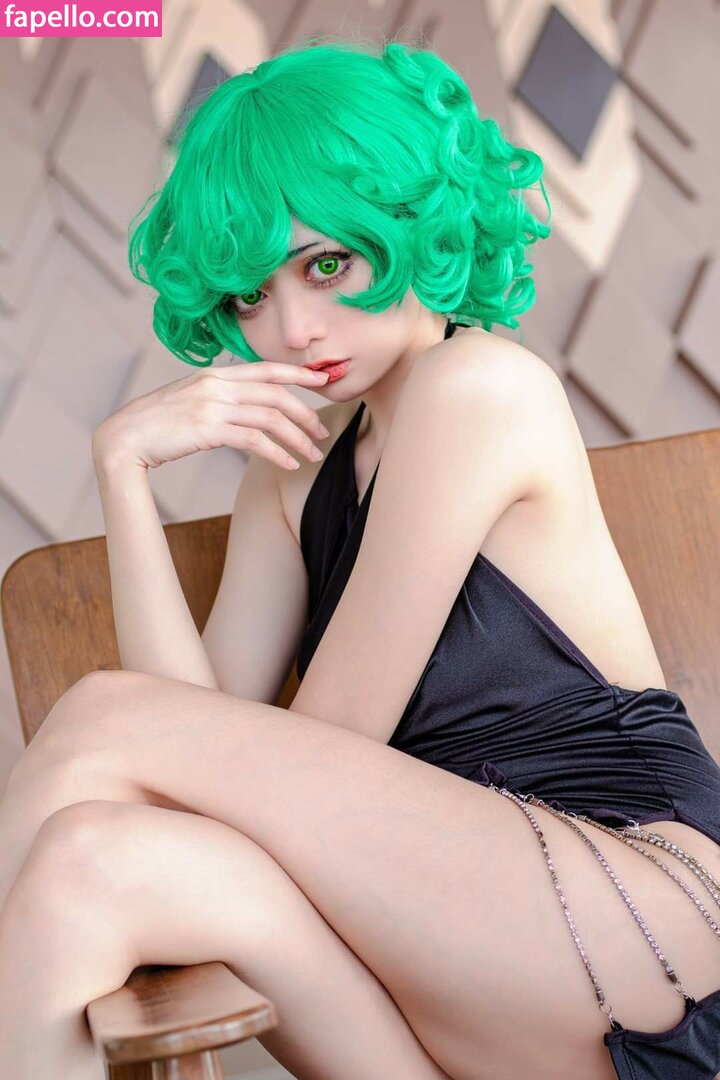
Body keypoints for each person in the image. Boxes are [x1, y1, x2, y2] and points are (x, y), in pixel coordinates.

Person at [0, 34, 719, 1080]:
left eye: (326, 264)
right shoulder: (294, 471)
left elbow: (276, 751)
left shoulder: (480, 390)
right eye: (249, 297)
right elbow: (183, 744)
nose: (292, 330)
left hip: (639, 917)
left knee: (111, 722)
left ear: (413, 220)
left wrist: (132, 734)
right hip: (451, 959)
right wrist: (125, 469)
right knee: (91, 862)